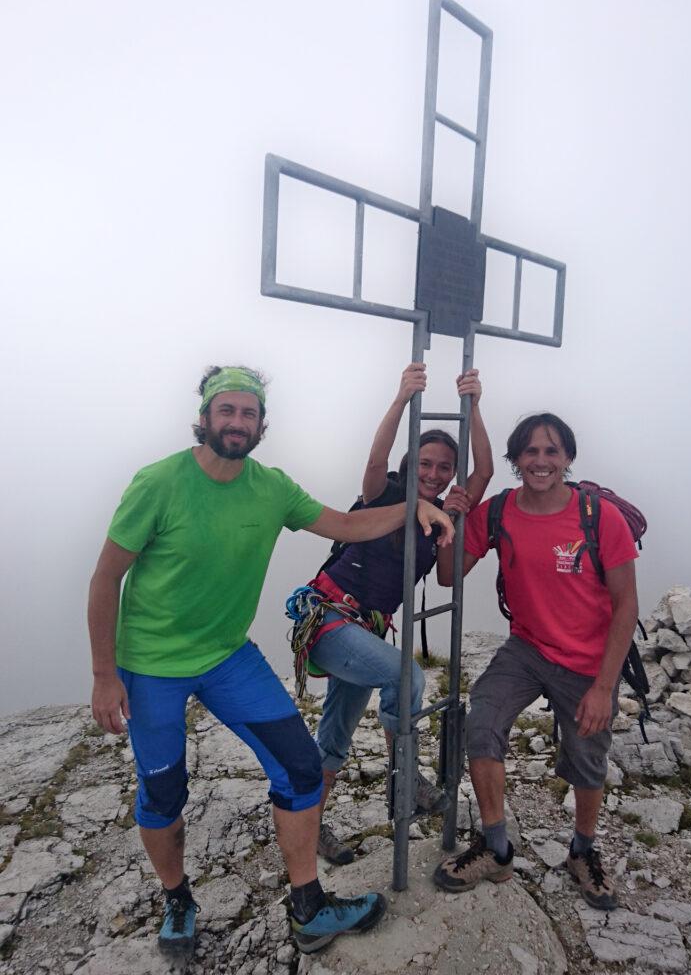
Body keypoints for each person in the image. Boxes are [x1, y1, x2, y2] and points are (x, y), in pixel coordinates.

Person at [88, 365, 453, 957]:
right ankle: (178, 898)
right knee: (163, 794)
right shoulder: (158, 483)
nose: (238, 422)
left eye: (249, 413)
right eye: (226, 411)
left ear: (261, 423)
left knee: (303, 768)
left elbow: (346, 523)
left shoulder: (272, 486)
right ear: (204, 417)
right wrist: (106, 676)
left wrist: (416, 508)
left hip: (229, 658)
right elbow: (106, 578)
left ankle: (309, 908)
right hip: (151, 665)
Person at [432, 413, 638, 910]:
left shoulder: (597, 516)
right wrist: (454, 520)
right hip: (526, 648)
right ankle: (497, 846)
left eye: (551, 452)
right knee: (482, 720)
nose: (541, 461)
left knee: (587, 756)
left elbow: (626, 602)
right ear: (516, 460)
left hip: (587, 657)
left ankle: (583, 851)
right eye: (530, 452)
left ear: (567, 458)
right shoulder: (500, 511)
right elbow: (447, 577)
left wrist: (604, 687)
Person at [291, 362, 493, 865]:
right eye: (426, 463)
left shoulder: (440, 516)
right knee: (407, 676)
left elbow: (450, 572)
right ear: (412, 463)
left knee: (334, 737)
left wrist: (475, 408)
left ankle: (310, 828)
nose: (434, 474)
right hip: (330, 617)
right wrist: (403, 397)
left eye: (444, 468)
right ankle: (405, 777)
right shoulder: (383, 494)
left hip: (366, 630)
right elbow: (376, 456)